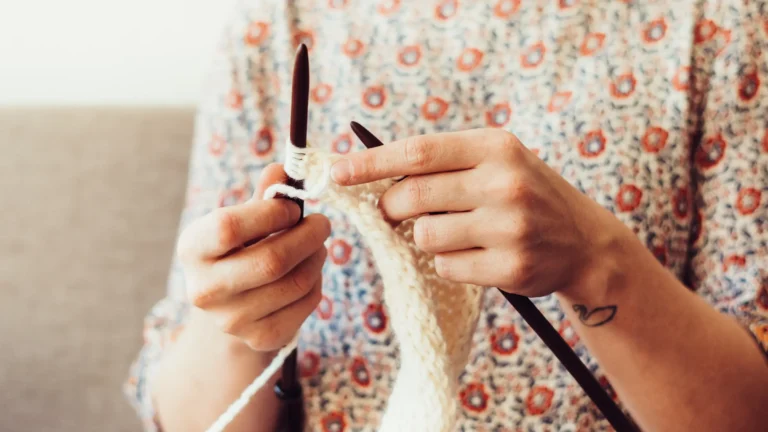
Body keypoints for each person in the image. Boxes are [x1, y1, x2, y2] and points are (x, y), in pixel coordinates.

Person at [124, 1, 768, 431]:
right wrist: (239, 317)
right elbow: (184, 416)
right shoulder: (280, 23)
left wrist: (599, 262)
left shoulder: (714, 24)